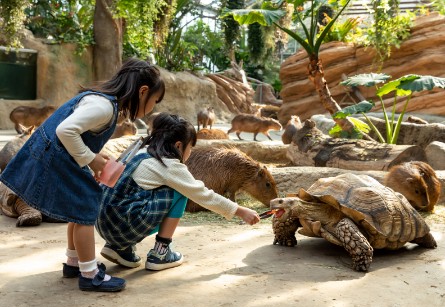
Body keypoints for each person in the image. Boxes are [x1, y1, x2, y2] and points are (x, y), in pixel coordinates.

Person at [0, 58, 165, 292]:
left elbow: (74, 135)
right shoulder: (104, 107)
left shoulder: (102, 101)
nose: (153, 108)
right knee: (87, 208)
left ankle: (74, 262)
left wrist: (93, 162)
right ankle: (90, 275)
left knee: (76, 211)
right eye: (155, 102)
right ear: (143, 91)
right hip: (55, 159)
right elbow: (65, 130)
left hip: (57, 157)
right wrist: (92, 159)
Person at [95, 113, 261, 271]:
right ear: (179, 146)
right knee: (180, 191)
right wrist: (240, 211)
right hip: (122, 227)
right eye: (190, 147)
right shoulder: (169, 165)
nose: (190, 152)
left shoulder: (141, 151)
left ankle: (118, 248)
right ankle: (161, 252)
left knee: (135, 195)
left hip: (103, 222)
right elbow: (202, 194)